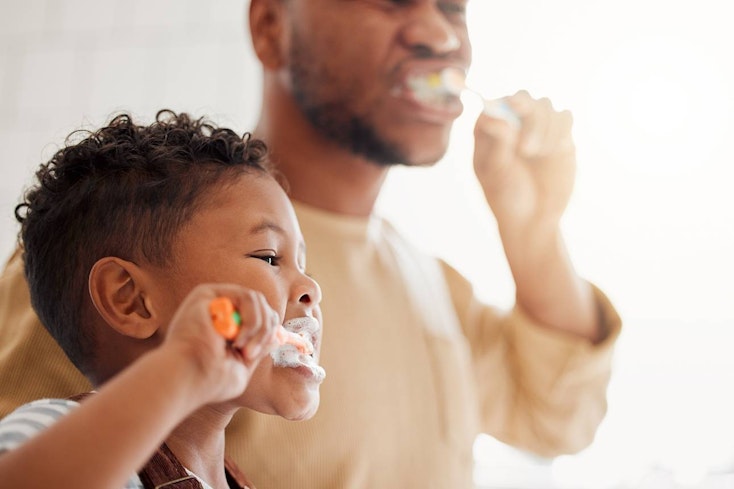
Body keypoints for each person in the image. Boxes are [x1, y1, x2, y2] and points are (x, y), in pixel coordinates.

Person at [0, 1, 622, 487]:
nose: (439, 35)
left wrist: (533, 232)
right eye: (392, 1)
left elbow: (557, 420)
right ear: (272, 26)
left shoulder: (432, 282)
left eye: (455, 8)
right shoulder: (120, 238)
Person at [0, 111, 325, 488]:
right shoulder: (56, 433)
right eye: (268, 257)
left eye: (304, 266)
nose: (311, 288)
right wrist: (181, 367)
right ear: (131, 300)